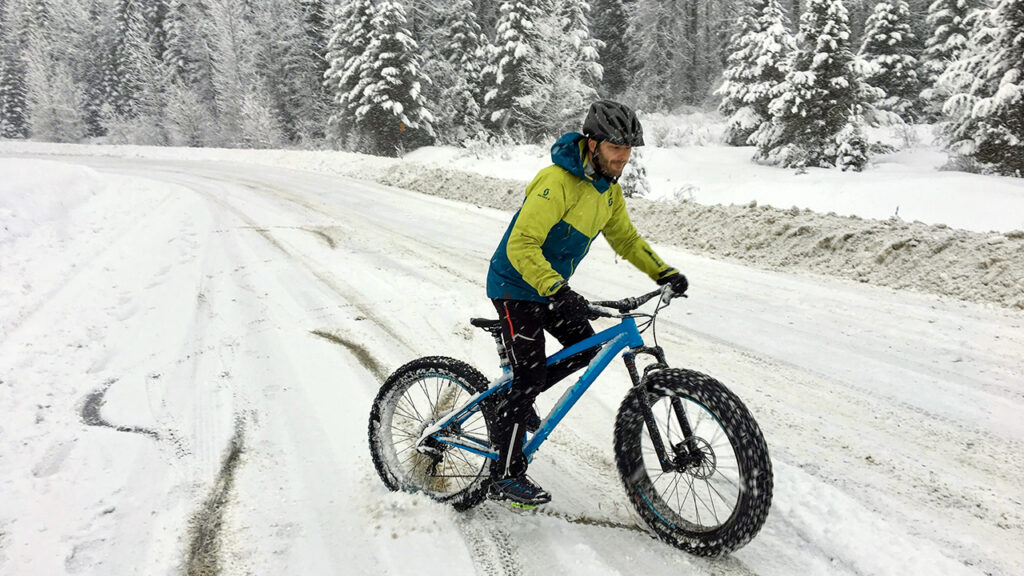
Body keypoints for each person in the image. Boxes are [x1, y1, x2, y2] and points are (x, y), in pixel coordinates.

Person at [485, 100, 689, 506]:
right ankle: (504, 472)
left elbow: (626, 240)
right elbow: (521, 245)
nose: (624, 157)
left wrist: (663, 272)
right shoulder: (555, 182)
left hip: (549, 286)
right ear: (593, 143)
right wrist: (558, 291)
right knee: (528, 377)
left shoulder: (607, 192)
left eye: (630, 150)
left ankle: (510, 402)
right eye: (617, 148)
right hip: (515, 284)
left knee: (587, 351)